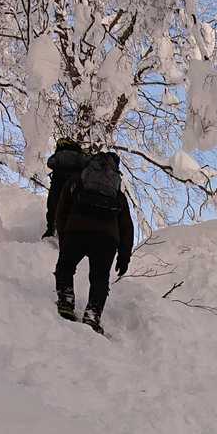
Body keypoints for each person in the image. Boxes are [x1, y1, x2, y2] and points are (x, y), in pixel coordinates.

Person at [53, 149, 134, 332]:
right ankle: (92, 315)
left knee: (65, 266)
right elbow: (127, 227)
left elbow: (62, 209)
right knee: (100, 278)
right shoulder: (117, 194)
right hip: (107, 239)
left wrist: (64, 236)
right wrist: (124, 256)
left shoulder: (78, 180)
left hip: (77, 230)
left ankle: (66, 300)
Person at [43, 139, 86, 239]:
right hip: (74, 188)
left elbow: (50, 163)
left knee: (53, 205)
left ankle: (50, 231)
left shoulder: (58, 155)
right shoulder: (80, 156)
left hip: (57, 185)